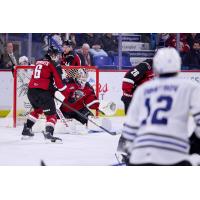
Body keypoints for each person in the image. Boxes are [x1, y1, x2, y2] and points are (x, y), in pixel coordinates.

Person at [119, 47, 200, 166]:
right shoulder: (190, 86)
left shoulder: (143, 90)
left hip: (141, 155)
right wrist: (194, 146)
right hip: (173, 153)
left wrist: (129, 153)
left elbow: (130, 128)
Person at [21, 47, 68, 142]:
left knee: (37, 110)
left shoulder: (39, 61)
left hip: (31, 91)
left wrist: (52, 89)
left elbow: (42, 78)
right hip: (42, 92)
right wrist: (65, 91)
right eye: (56, 54)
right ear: (53, 55)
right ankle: (49, 134)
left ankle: (26, 130)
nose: (58, 56)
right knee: (52, 115)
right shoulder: (54, 64)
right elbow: (60, 85)